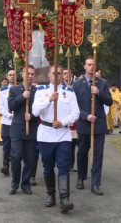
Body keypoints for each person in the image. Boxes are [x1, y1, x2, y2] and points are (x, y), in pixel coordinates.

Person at [32, 65, 80, 213]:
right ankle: (50, 195)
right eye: (54, 73)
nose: (57, 75)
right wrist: (49, 100)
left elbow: (75, 113)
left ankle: (64, 198)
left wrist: (63, 122)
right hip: (46, 134)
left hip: (63, 135)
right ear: (49, 75)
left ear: (62, 76)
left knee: (64, 166)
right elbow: (34, 111)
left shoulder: (69, 92)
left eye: (60, 73)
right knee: (47, 167)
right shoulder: (41, 91)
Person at [73, 58, 112, 196]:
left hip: (99, 124)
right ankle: (81, 178)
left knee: (97, 154)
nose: (91, 67)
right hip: (84, 124)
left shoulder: (102, 83)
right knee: (82, 152)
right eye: (89, 65)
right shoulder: (77, 85)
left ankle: (95, 183)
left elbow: (109, 101)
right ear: (84, 66)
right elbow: (74, 105)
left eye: (93, 65)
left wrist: (98, 93)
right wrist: (85, 116)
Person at [8, 65, 39, 195]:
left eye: (32, 74)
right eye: (28, 73)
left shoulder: (38, 92)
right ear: (23, 74)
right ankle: (14, 183)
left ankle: (25, 184)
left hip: (31, 129)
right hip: (17, 130)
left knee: (29, 159)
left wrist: (31, 116)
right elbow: (11, 106)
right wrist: (22, 96)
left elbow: (42, 111)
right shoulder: (15, 90)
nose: (30, 76)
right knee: (15, 157)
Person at [0, 70, 15, 176]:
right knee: (6, 144)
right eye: (10, 75)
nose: (12, 77)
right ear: (7, 77)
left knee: (15, 145)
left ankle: (14, 166)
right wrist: (9, 115)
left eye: (14, 75)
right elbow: (1, 107)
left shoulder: (20, 89)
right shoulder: (3, 91)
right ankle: (5, 166)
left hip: (17, 122)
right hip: (7, 121)